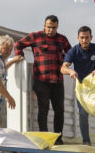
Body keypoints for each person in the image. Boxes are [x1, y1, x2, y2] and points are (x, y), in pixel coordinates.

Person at [11, 15, 72, 143]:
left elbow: (71, 53)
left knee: (59, 110)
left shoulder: (62, 39)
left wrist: (67, 64)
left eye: (53, 28)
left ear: (57, 27)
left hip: (57, 81)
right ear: (44, 25)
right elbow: (18, 44)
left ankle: (58, 138)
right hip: (41, 80)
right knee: (43, 109)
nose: (50, 30)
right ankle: (44, 138)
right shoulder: (35, 36)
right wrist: (19, 56)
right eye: (48, 27)